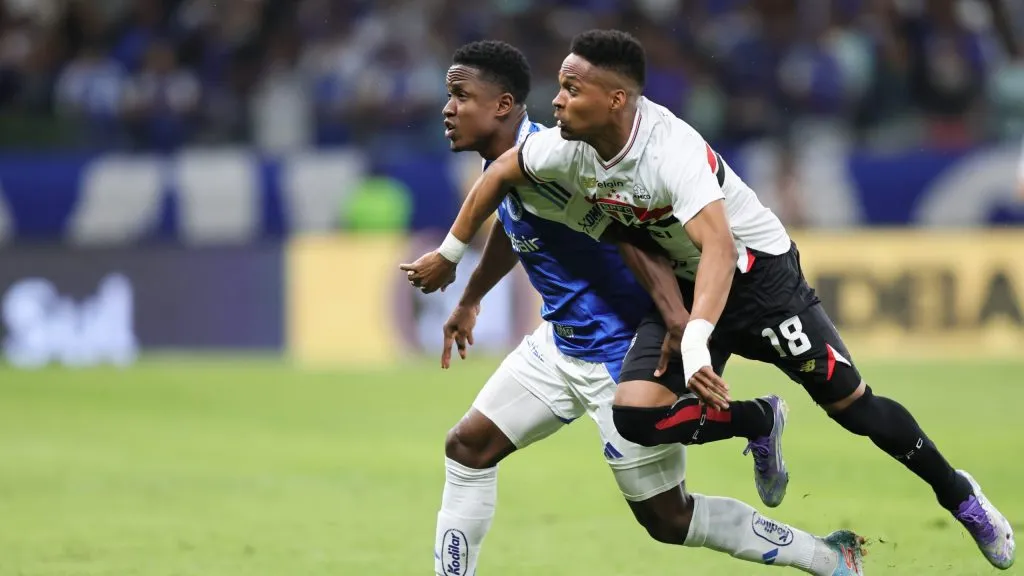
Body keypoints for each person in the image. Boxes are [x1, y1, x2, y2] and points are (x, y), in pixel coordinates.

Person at [402, 29, 1016, 572]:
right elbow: (510, 198)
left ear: (613, 98)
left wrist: (688, 330)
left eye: (570, 88)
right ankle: (782, 467)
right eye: (558, 87)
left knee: (850, 410)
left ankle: (955, 498)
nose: (557, 101)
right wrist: (465, 282)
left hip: (755, 280)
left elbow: (701, 246)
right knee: (474, 446)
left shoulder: (668, 153)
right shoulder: (558, 150)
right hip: (584, 335)